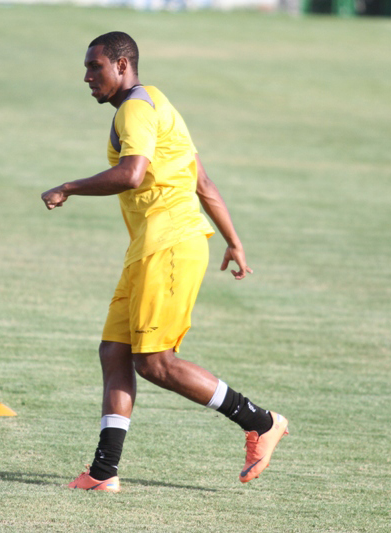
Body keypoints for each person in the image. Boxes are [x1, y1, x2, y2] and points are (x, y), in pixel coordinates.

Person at [41, 31, 288, 492]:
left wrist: (68, 187)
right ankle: (102, 473)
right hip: (149, 249)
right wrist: (233, 240)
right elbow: (203, 180)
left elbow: (132, 174)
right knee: (114, 351)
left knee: (155, 362)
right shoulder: (158, 103)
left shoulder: (136, 109)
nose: (87, 77)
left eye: (95, 67)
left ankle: (261, 421)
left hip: (169, 244)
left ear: (121, 65)